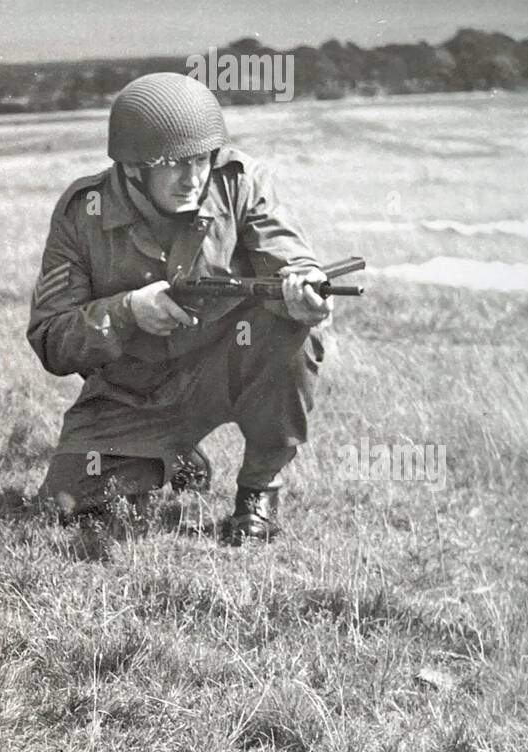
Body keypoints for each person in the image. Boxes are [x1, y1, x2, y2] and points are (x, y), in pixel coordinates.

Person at [28, 73, 332, 543]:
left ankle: (258, 492)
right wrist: (127, 311)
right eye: (172, 165)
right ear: (132, 167)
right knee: (69, 503)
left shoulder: (239, 181)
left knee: (288, 328)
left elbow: (290, 258)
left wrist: (304, 288)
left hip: (224, 367)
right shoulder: (80, 214)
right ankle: (172, 455)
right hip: (133, 391)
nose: (193, 179)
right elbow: (51, 339)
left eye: (200, 160)